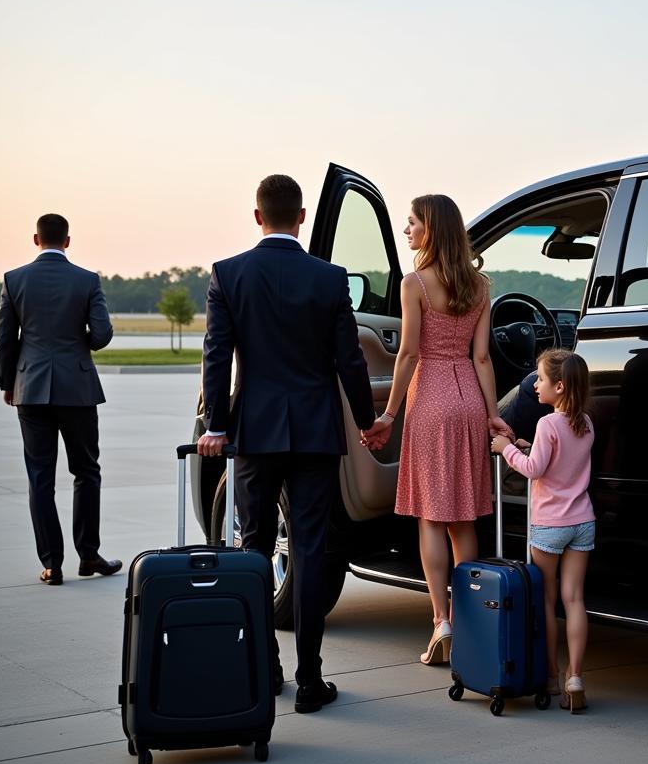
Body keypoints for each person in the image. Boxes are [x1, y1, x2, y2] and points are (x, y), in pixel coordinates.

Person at [197, 174, 382, 714]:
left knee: (255, 549)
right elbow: (349, 358)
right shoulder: (328, 278)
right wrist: (368, 422)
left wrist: (215, 426)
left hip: (255, 433)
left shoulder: (228, 274)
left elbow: (216, 354)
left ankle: (265, 669)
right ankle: (310, 680)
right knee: (309, 550)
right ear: (301, 218)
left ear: (258, 217)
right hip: (315, 432)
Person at [362, 195, 512, 664]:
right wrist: (492, 413)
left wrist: (388, 413)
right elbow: (483, 357)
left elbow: (407, 355)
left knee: (431, 514)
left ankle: (439, 620)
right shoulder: (480, 285)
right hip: (468, 398)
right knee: (463, 516)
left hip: (429, 400)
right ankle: (470, 620)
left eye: (411, 223)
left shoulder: (414, 284)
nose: (406, 231)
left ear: (431, 230)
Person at [0, 214, 120, 586]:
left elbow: (3, 339)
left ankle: (52, 564)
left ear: (36, 239)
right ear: (68, 240)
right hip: (77, 390)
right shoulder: (86, 280)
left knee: (40, 479)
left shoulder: (15, 279)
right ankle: (89, 555)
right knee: (86, 472)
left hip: (30, 390)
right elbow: (101, 335)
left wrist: (8, 383)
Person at [491, 348, 595, 712]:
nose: (535, 385)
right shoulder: (585, 422)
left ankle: (551, 676)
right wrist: (527, 447)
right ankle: (576, 677)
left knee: (547, 602)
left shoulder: (547, 424)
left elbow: (535, 469)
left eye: (541, 379)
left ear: (561, 387)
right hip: (582, 522)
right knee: (575, 600)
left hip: (550, 525)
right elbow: (557, 460)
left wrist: (506, 448)